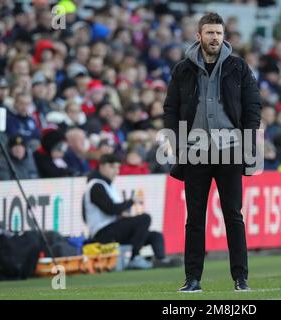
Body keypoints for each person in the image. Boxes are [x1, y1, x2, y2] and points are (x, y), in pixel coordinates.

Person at [163, 12, 261, 292]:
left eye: (218, 33)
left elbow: (253, 106)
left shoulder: (238, 67)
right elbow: (171, 108)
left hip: (230, 150)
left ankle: (241, 279)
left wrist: (249, 142)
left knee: (233, 215)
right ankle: (192, 280)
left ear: (223, 36)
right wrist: (175, 142)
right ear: (199, 36)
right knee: (195, 218)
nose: (214, 37)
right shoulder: (183, 68)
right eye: (209, 33)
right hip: (195, 152)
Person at [83, 154, 180, 269]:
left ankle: (161, 260)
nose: (116, 171)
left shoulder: (106, 185)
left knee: (155, 235)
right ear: (102, 166)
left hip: (112, 230)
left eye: (118, 168)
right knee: (144, 219)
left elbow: (112, 210)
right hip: (103, 234)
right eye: (113, 167)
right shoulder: (96, 186)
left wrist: (122, 214)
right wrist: (131, 201)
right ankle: (134, 257)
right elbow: (111, 209)